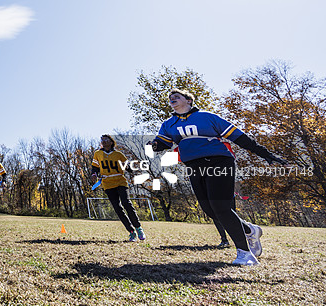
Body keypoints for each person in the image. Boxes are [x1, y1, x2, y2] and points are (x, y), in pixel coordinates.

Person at [152, 88, 288, 266]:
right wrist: (154, 145)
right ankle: (250, 230)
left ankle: (245, 254)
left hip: (219, 162)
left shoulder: (207, 117)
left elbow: (240, 137)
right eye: (170, 98)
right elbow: (163, 142)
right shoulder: (168, 124)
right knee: (211, 211)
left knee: (220, 206)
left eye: (177, 96)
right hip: (194, 166)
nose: (172, 99)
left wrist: (266, 154)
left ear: (189, 100)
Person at [90, 135, 145, 242]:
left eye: (106, 140)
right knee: (117, 208)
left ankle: (138, 228)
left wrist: (131, 168)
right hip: (108, 184)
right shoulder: (98, 154)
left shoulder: (118, 154)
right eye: (102, 141)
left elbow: (128, 168)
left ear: (111, 142)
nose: (104, 142)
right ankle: (131, 232)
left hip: (120, 181)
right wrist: (94, 174)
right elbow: (94, 168)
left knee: (126, 203)